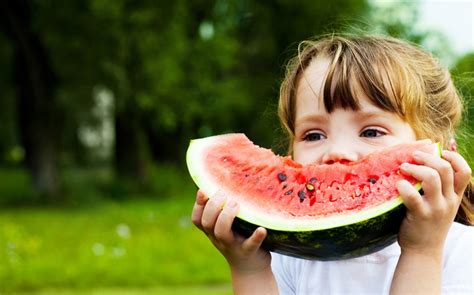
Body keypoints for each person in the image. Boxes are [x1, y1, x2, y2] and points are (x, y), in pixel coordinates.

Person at [191, 34, 474, 294]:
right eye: (314, 135)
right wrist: (249, 269)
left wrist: (423, 251)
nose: (336, 152)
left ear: (443, 154)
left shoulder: (462, 251)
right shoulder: (291, 258)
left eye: (371, 132)